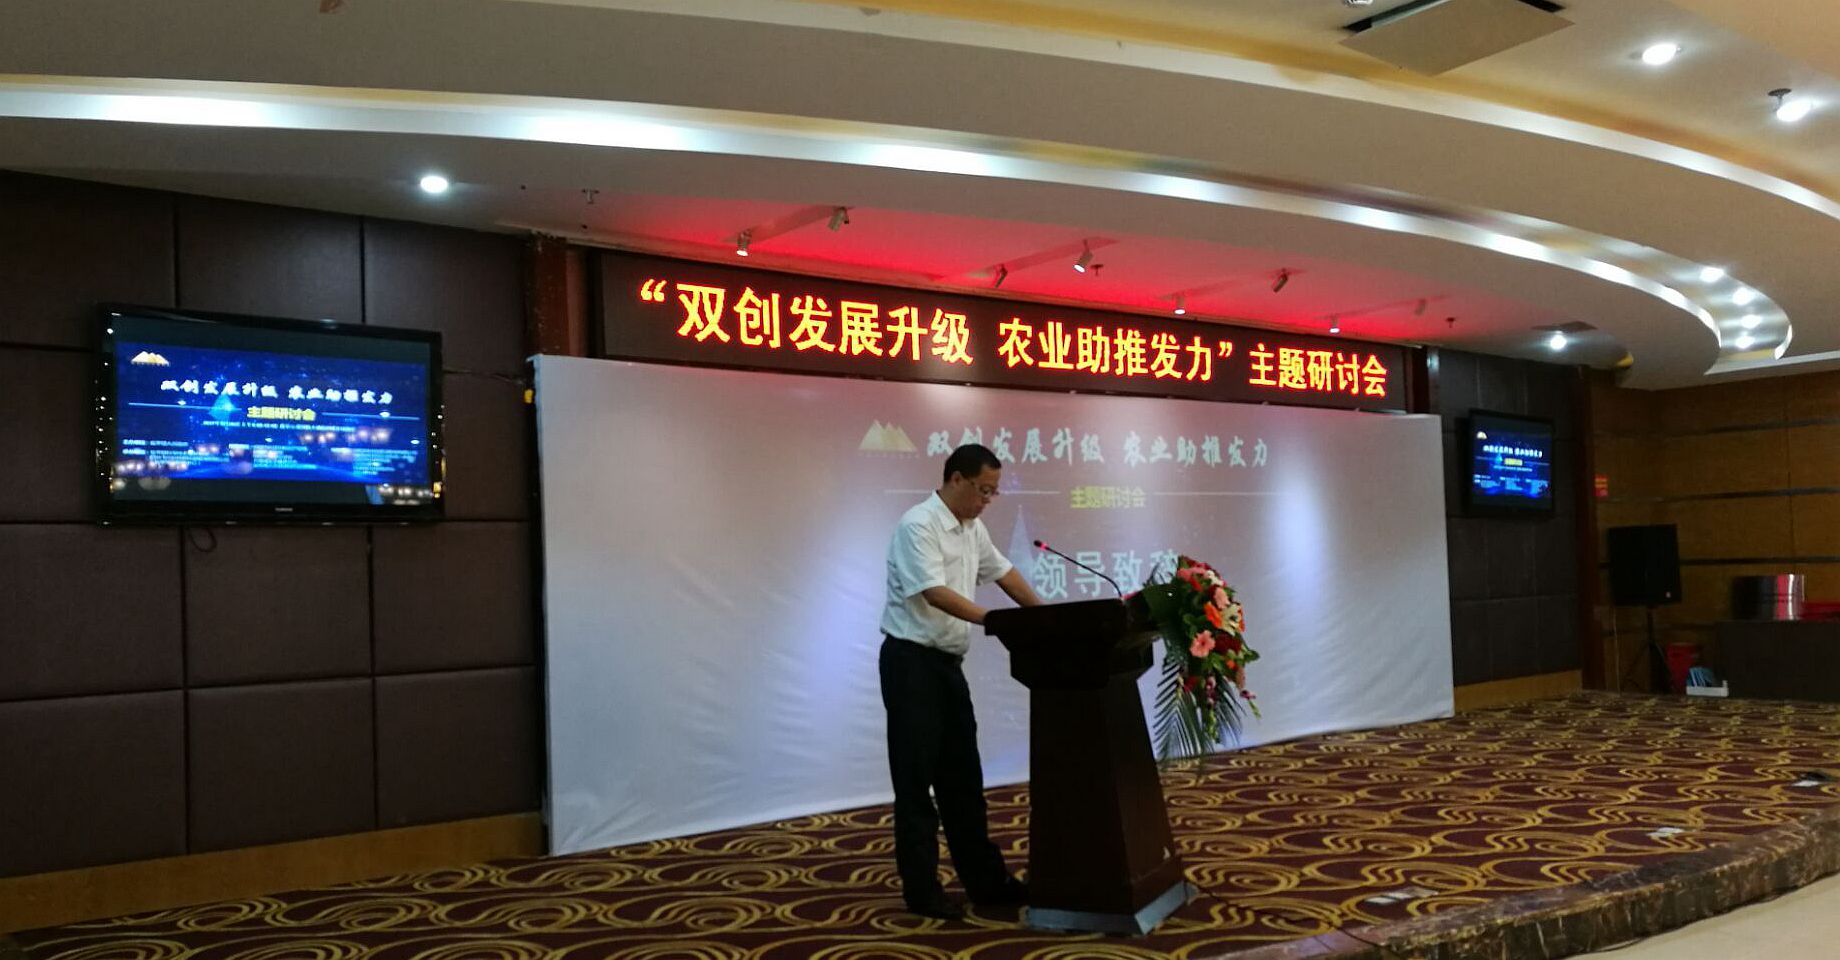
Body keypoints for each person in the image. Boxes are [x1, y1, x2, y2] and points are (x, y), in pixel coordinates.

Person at [880, 443, 1043, 920]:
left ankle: (986, 883)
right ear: (956, 479)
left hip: (948, 667)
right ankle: (922, 892)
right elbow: (935, 593)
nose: (987, 500)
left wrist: (1046, 617)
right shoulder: (918, 525)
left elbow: (1005, 573)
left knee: (963, 780)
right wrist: (995, 621)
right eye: (983, 490)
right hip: (911, 665)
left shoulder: (973, 528)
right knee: (916, 782)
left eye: (993, 492)